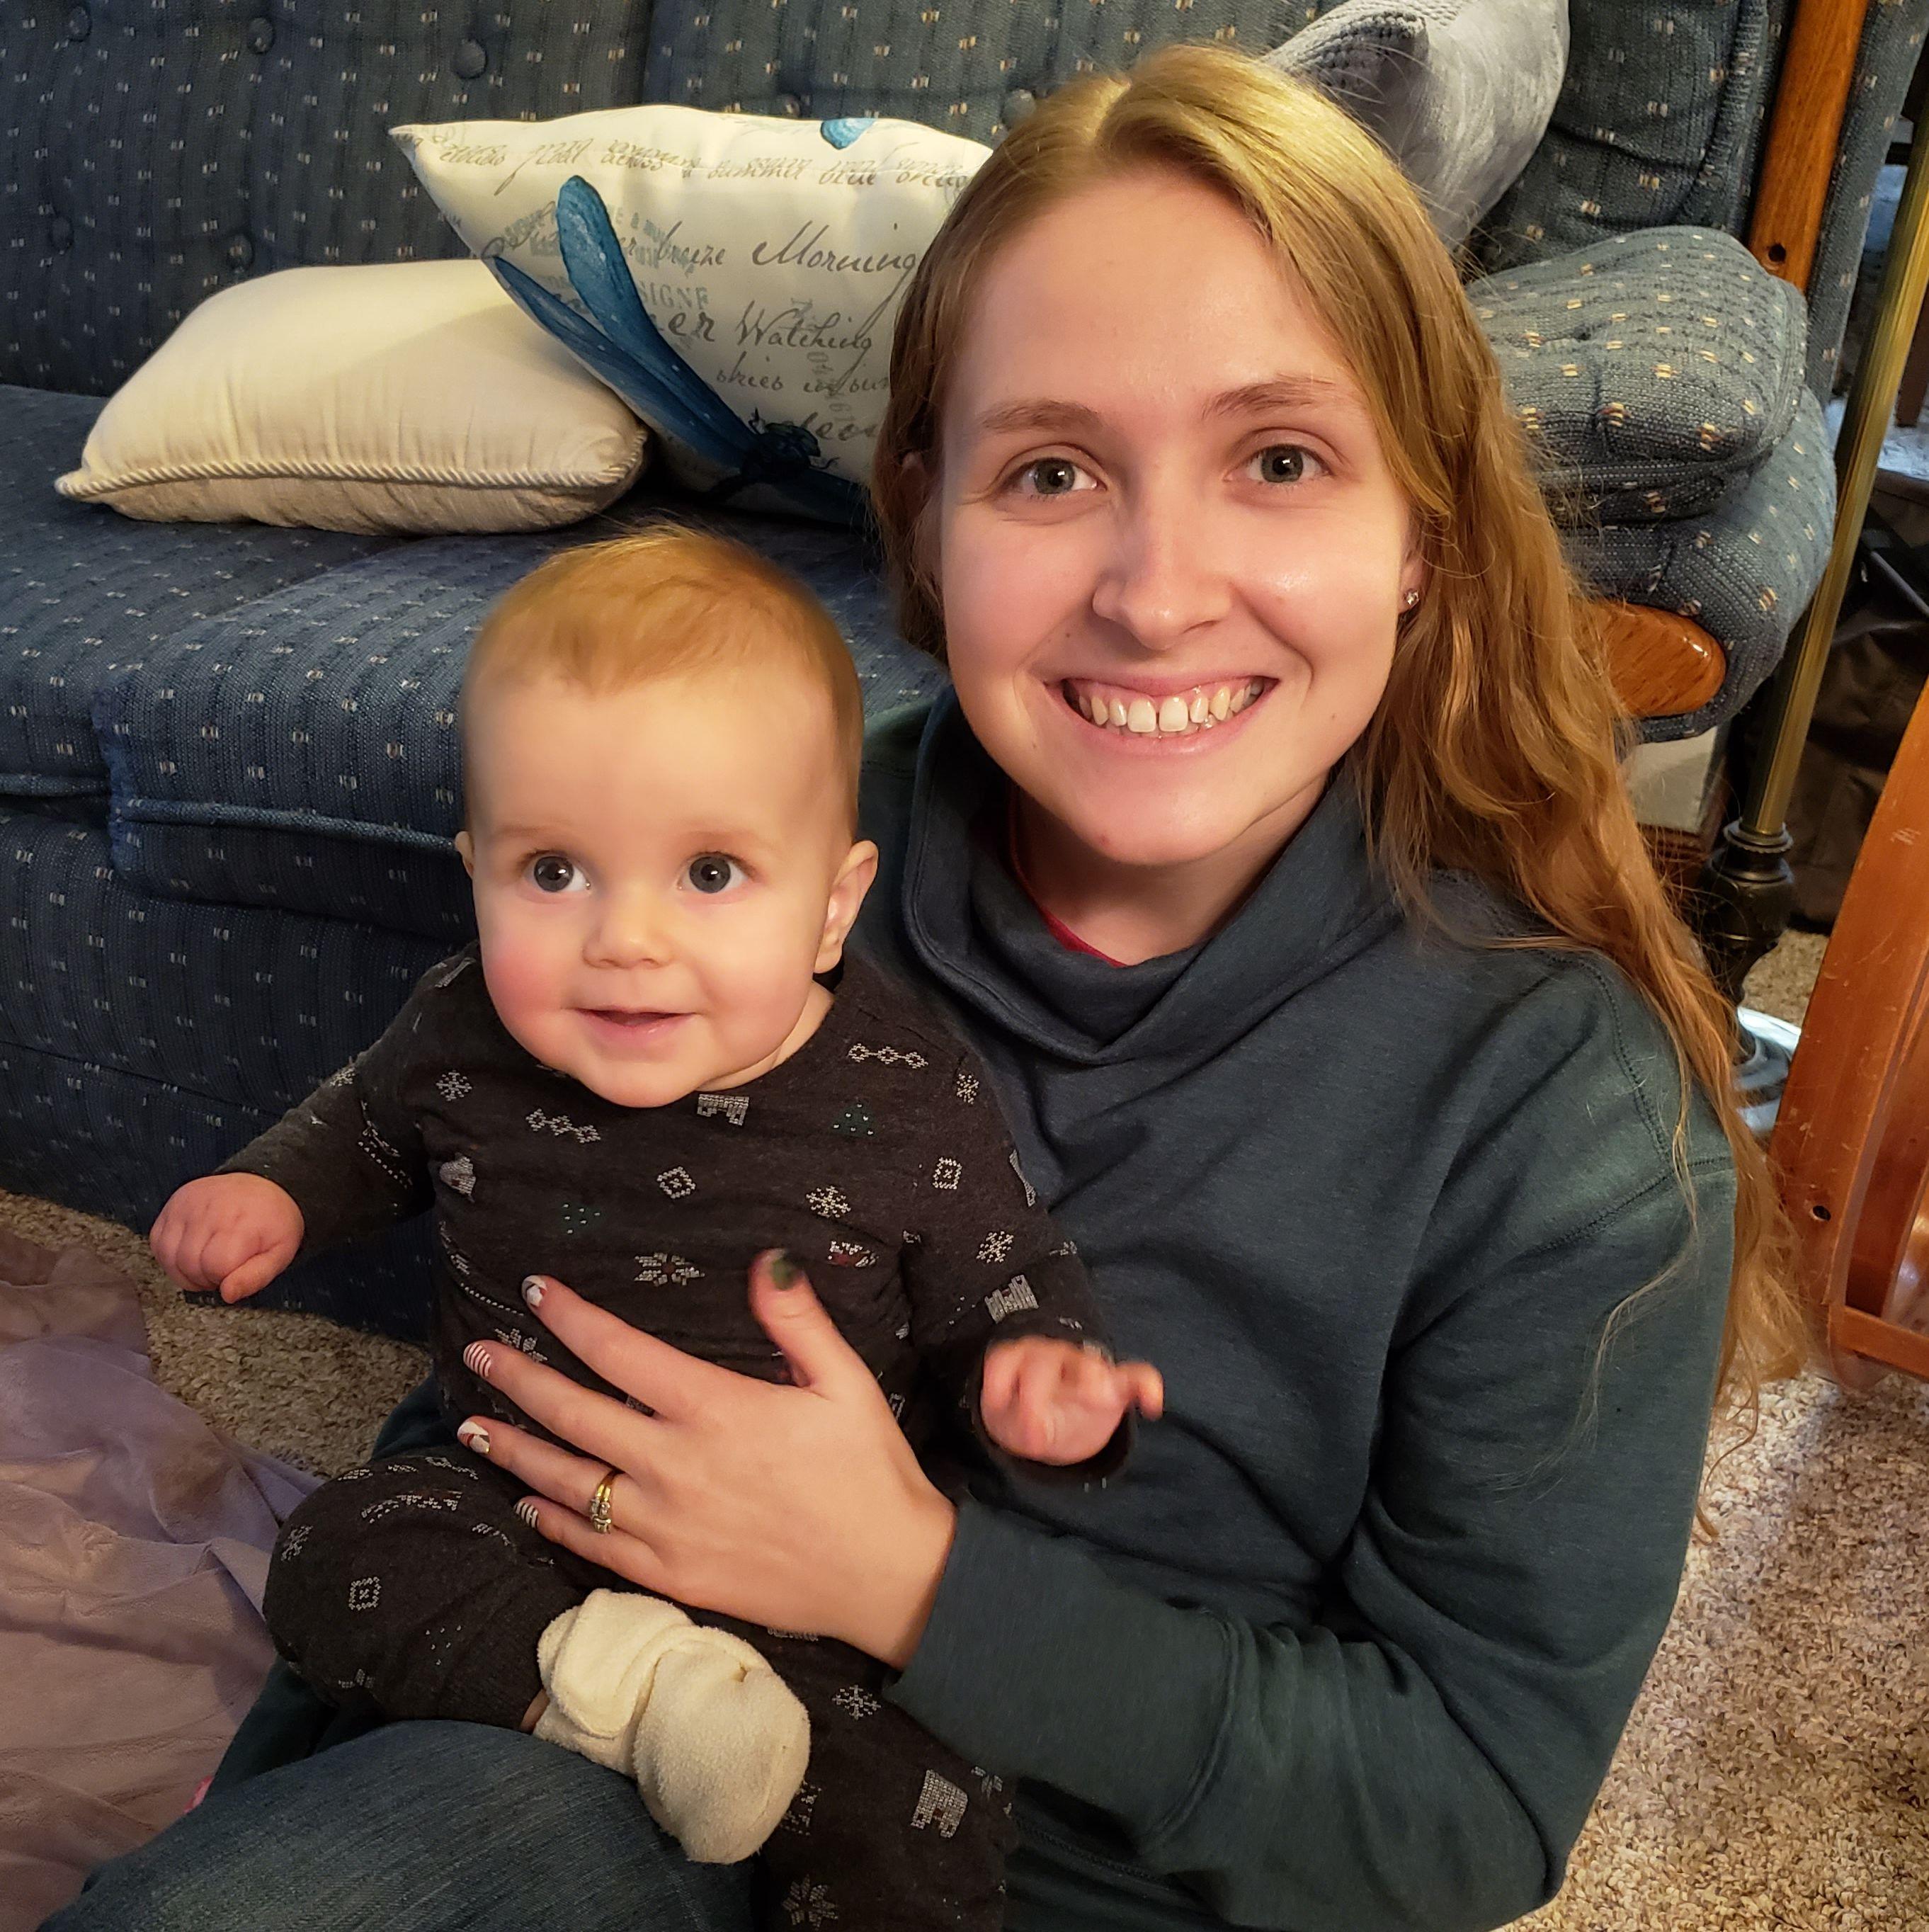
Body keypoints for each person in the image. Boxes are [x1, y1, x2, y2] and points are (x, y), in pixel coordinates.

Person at [45, 41, 1809, 1932]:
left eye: (1280, 461)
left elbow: (1463, 1812)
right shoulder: (722, 863)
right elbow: (503, 1349)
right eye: (1051, 470)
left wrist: (912, 1582)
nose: (1155, 590)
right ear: (926, 516)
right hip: (614, 1735)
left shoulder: (1567, 1121)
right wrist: (291, 1792)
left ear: (1419, 540)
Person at [143, 527, 1162, 1930]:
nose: (626, 938)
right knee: (328, 1557)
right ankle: (622, 1693)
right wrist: (273, 1192)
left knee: (925, 1818)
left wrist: (1043, 1376)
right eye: (555, 871)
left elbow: (1003, 1268)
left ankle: (692, 1735)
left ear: (832, 905)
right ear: (475, 870)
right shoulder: (463, 1027)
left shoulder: (900, 1090)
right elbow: (367, 1124)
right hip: (516, 1515)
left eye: (711, 873)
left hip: (804, 1586)